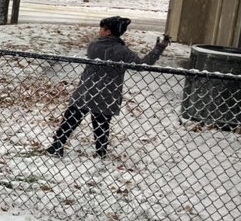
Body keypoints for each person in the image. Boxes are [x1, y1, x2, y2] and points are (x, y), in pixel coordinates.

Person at [46, 16, 170, 159]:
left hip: (86, 91)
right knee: (102, 126)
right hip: (107, 95)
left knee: (71, 120)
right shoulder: (122, 51)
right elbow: (142, 65)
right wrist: (159, 48)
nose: (99, 31)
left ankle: (57, 145)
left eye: (102, 28)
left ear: (108, 32)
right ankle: (101, 152)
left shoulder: (94, 46)